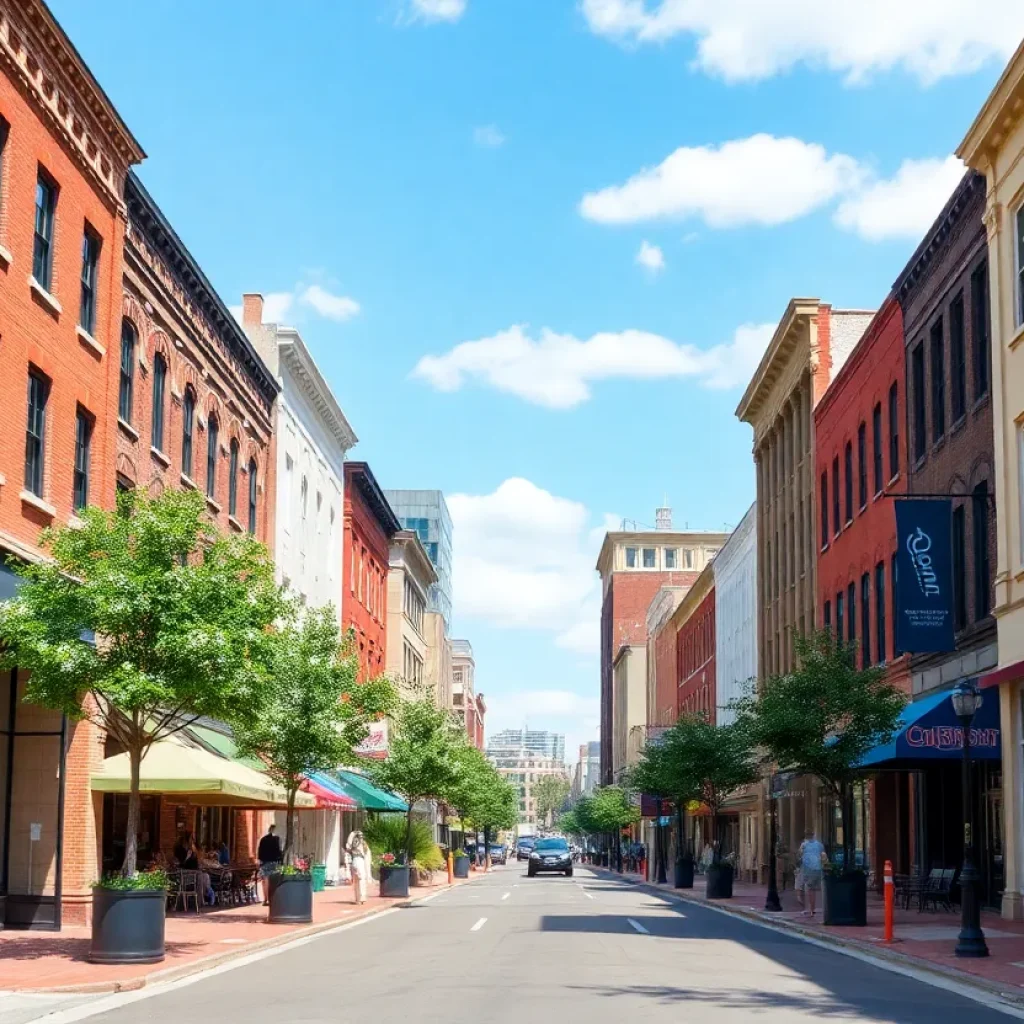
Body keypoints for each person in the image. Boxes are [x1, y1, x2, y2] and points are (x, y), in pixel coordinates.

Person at [798, 830, 828, 918]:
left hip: (808, 869)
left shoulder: (804, 845)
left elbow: (799, 855)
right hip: (818, 869)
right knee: (818, 888)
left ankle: (812, 909)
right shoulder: (819, 845)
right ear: (814, 835)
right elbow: (824, 856)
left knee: (810, 889)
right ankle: (819, 908)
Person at [257, 824, 283, 906]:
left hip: (264, 862)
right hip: (274, 862)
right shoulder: (277, 839)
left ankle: (265, 899)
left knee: (265, 881)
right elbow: (279, 851)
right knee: (273, 880)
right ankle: (272, 898)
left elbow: (259, 852)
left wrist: (260, 861)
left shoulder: (263, 839)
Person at [345, 829, 370, 905]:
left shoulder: (356, 843)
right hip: (358, 861)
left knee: (357, 880)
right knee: (360, 879)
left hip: (356, 861)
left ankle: (359, 898)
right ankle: (361, 897)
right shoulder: (358, 843)